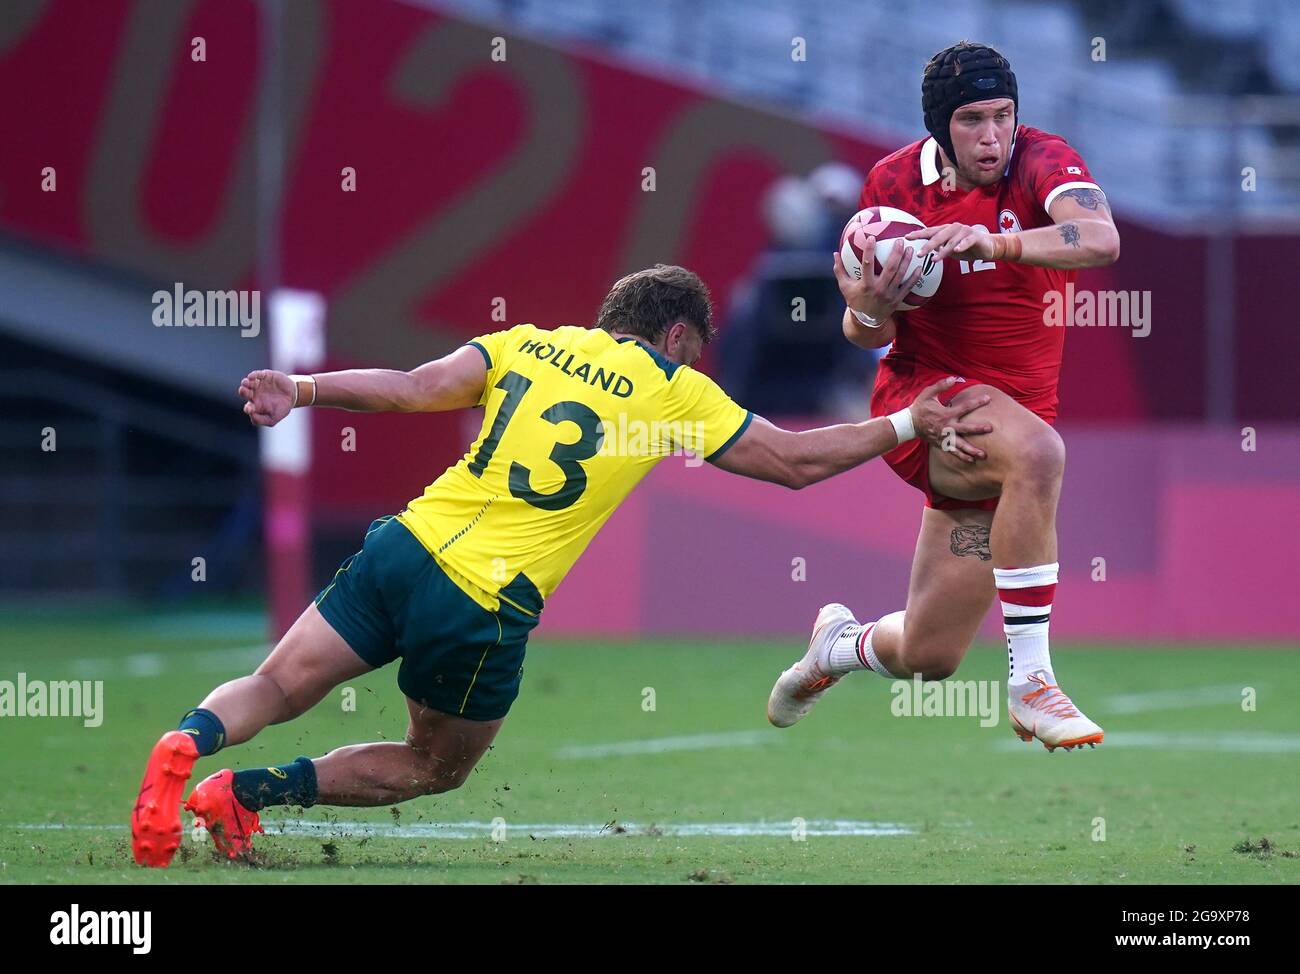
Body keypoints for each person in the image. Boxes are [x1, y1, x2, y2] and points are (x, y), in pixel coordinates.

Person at [130, 263, 992, 866]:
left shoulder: (526, 344)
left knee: (276, 687)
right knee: (435, 765)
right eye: (693, 348)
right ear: (679, 334)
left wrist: (305, 389)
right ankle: (243, 793)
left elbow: (410, 386)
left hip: (403, 543)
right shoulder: (669, 385)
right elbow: (797, 461)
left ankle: (187, 744)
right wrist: (908, 422)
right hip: (484, 601)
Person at [767, 41, 1120, 751]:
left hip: (1007, 421)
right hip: (931, 404)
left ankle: (836, 647)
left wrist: (994, 243)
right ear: (938, 124)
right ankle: (1031, 685)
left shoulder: (1042, 159)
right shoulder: (892, 186)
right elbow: (866, 332)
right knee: (1041, 456)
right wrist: (867, 306)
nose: (992, 137)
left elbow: (1102, 240)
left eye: (1003, 116)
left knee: (928, 655)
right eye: (971, 120)